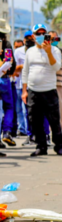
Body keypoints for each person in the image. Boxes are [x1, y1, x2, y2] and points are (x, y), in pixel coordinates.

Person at [21, 24, 62, 156]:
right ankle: (41, 146)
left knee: (54, 120)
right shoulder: (30, 51)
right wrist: (24, 91)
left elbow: (57, 67)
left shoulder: (55, 50)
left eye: (43, 34)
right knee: (35, 120)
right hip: (33, 91)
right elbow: (25, 72)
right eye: (38, 34)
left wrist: (48, 52)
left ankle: (59, 146)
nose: (41, 36)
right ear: (34, 36)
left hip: (49, 90)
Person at [48, 31, 62, 136]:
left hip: (60, 83)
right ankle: (49, 131)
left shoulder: (60, 51)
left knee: (61, 107)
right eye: (52, 38)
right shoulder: (45, 50)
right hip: (48, 82)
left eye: (56, 39)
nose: (54, 41)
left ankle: (61, 130)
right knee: (49, 108)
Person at [0, 19, 17, 148]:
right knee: (9, 107)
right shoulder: (6, 44)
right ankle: (6, 132)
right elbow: (11, 64)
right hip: (4, 79)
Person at [12, 39, 27, 137]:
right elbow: (12, 70)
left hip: (23, 85)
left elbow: (10, 67)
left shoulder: (7, 49)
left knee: (24, 109)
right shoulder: (12, 51)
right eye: (16, 47)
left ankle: (24, 129)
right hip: (14, 84)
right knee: (16, 109)